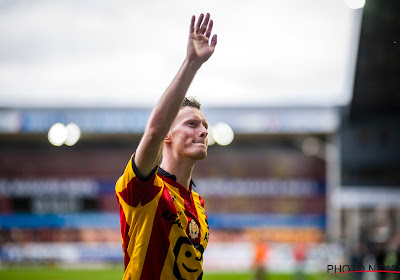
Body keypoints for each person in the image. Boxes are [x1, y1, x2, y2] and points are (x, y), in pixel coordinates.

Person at [115, 13, 217, 280]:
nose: (204, 131)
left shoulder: (198, 203)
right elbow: (153, 131)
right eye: (192, 124)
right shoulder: (144, 189)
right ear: (167, 136)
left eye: (205, 125)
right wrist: (191, 64)